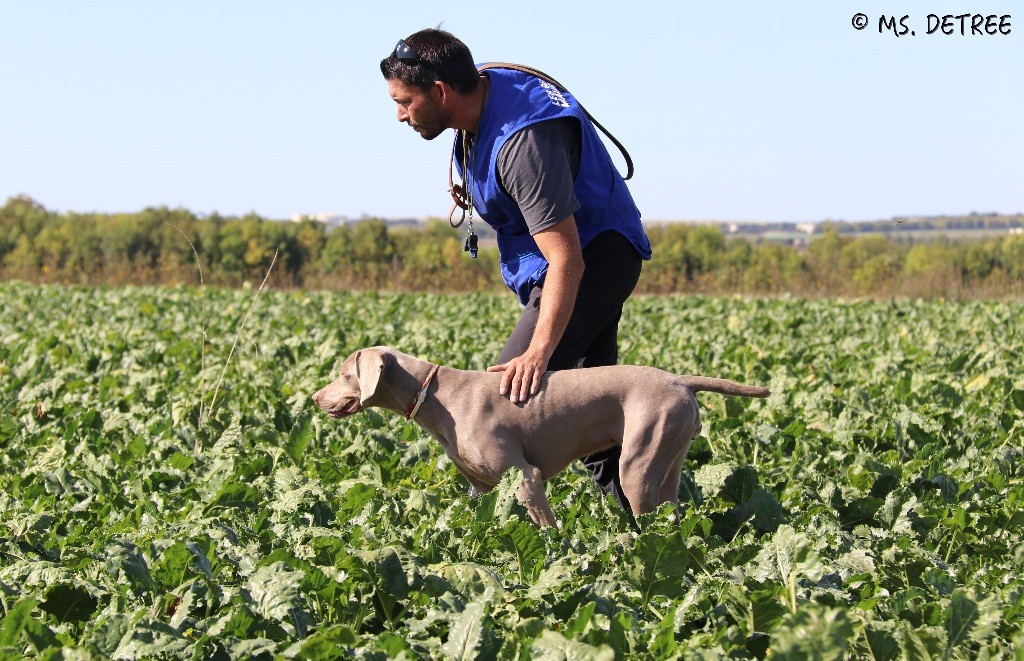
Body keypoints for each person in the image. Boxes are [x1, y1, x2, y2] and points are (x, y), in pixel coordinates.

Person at [379, 28, 652, 517]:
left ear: (440, 92)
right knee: (594, 410)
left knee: (497, 407)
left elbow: (568, 258)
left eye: (405, 102)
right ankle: (642, 532)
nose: (399, 114)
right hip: (577, 260)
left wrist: (539, 352)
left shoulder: (523, 145)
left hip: (592, 258)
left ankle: (487, 539)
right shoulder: (477, 100)